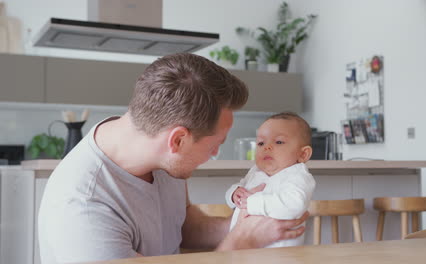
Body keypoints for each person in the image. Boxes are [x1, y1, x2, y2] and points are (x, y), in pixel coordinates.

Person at [38, 53, 309, 264]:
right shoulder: (83, 208)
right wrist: (241, 242)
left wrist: (243, 224)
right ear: (178, 140)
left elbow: (183, 224)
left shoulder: (161, 158)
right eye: (215, 145)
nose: (214, 155)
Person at [226, 112, 316, 248]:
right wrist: (234, 194)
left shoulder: (297, 175)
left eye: (279, 141)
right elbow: (240, 188)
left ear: (303, 154)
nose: (266, 147)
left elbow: (294, 204)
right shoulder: (255, 171)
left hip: (280, 254)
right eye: (261, 143)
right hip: (243, 249)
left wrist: (252, 203)